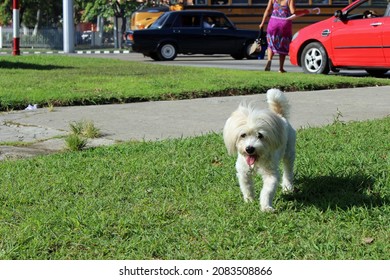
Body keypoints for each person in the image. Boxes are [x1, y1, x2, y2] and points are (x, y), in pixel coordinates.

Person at [259, 0, 296, 73]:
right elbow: (293, 12)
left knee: (270, 43)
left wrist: (262, 23)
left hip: (273, 23)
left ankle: (269, 59)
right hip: (284, 24)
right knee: (283, 45)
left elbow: (267, 10)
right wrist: (304, 11)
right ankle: (281, 68)